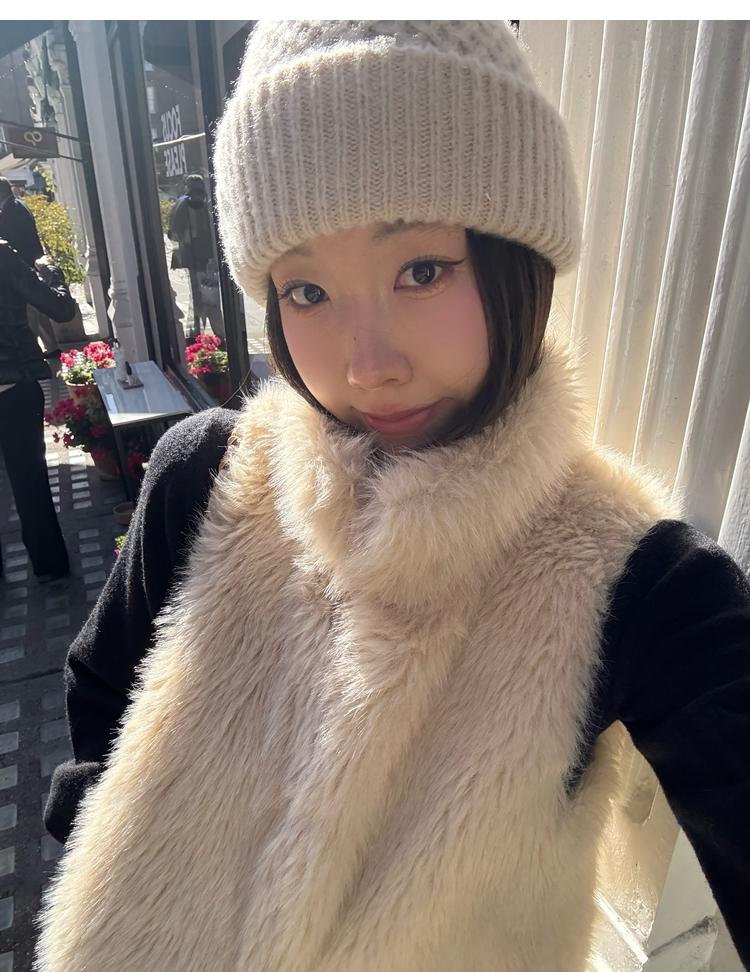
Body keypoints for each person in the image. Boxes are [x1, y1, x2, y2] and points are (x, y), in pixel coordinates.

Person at [36, 21, 749, 971]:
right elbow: (101, 685)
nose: (367, 365)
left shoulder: (636, 582)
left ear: (519, 262)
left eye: (421, 271)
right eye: (306, 291)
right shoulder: (206, 479)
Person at [0, 239, 75, 581]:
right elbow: (61, 309)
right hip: (14, 387)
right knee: (29, 481)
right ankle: (50, 566)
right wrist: (51, 270)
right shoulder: (3, 255)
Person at [0, 177, 61, 357]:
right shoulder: (17, 205)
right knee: (38, 307)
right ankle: (52, 346)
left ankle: (32, 350)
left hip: (25, 265)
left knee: (30, 312)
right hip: (32, 261)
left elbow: (12, 241)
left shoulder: (11, 211)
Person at [168, 173, 214, 336]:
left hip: (193, 256)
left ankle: (197, 329)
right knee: (204, 293)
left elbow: (173, 233)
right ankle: (199, 328)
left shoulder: (182, 203)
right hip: (204, 255)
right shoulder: (206, 204)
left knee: (197, 292)